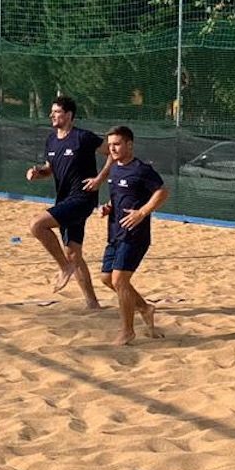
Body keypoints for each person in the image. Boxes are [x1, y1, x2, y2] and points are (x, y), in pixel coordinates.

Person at [84, 126, 168, 345]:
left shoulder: (141, 169)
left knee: (119, 279)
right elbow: (120, 197)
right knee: (106, 278)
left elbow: (162, 192)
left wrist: (142, 212)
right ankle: (144, 307)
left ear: (129, 145)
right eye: (110, 144)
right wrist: (108, 207)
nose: (112, 148)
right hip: (114, 232)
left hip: (135, 234)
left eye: (117, 144)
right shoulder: (114, 169)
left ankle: (127, 331)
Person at [23, 94, 104, 308]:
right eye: (52, 112)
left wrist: (100, 179)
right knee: (73, 253)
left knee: (36, 224)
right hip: (64, 199)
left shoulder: (83, 137)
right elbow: (50, 169)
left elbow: (112, 152)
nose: (52, 115)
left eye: (57, 112)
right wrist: (37, 173)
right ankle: (93, 303)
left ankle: (63, 267)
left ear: (68, 115)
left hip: (83, 198)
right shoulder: (51, 140)